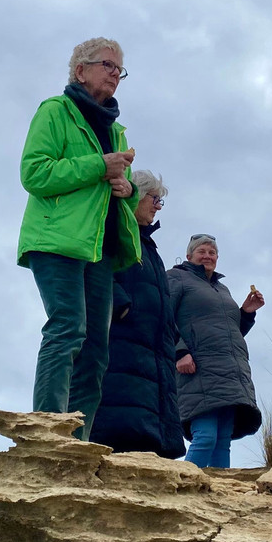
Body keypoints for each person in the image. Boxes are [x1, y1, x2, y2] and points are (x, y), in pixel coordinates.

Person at [17, 37, 141, 441]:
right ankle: (46, 432)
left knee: (96, 352)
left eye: (120, 69)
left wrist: (128, 190)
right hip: (56, 240)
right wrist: (98, 166)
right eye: (108, 65)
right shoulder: (55, 111)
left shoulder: (116, 131)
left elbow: (118, 189)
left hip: (99, 248)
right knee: (67, 329)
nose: (115, 74)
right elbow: (34, 173)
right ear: (80, 70)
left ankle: (77, 441)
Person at [90, 171, 186, 459]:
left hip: (153, 352)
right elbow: (95, 266)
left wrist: (172, 336)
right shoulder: (114, 227)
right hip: (123, 342)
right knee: (122, 428)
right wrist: (119, 306)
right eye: (154, 199)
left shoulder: (148, 246)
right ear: (135, 194)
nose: (158, 207)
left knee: (148, 434)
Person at [168, 234, 265, 468]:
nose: (207, 256)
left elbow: (229, 333)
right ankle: (182, 484)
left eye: (212, 253)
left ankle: (216, 488)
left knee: (222, 440)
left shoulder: (223, 289)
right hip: (197, 368)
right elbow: (162, 316)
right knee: (205, 436)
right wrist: (179, 352)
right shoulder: (176, 278)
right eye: (201, 251)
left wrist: (246, 313)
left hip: (230, 372)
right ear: (189, 256)